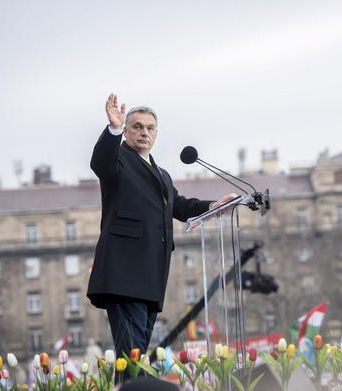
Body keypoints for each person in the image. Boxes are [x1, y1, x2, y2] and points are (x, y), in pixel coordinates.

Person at [87, 93, 236, 382]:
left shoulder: (162, 174)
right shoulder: (118, 161)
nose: (144, 132)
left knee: (133, 360)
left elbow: (179, 206)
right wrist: (113, 129)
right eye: (137, 126)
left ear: (156, 134)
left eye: (150, 128)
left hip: (151, 280)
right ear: (127, 131)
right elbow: (100, 163)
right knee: (131, 358)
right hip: (124, 277)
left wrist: (212, 206)